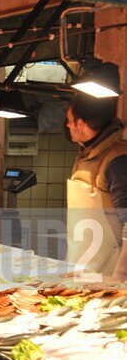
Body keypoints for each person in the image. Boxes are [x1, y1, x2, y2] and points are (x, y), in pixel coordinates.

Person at [64, 89, 127, 278]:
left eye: (69, 119)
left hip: (108, 274)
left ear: (81, 123)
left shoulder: (117, 160)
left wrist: (120, 276)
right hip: (83, 268)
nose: (67, 125)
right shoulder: (88, 156)